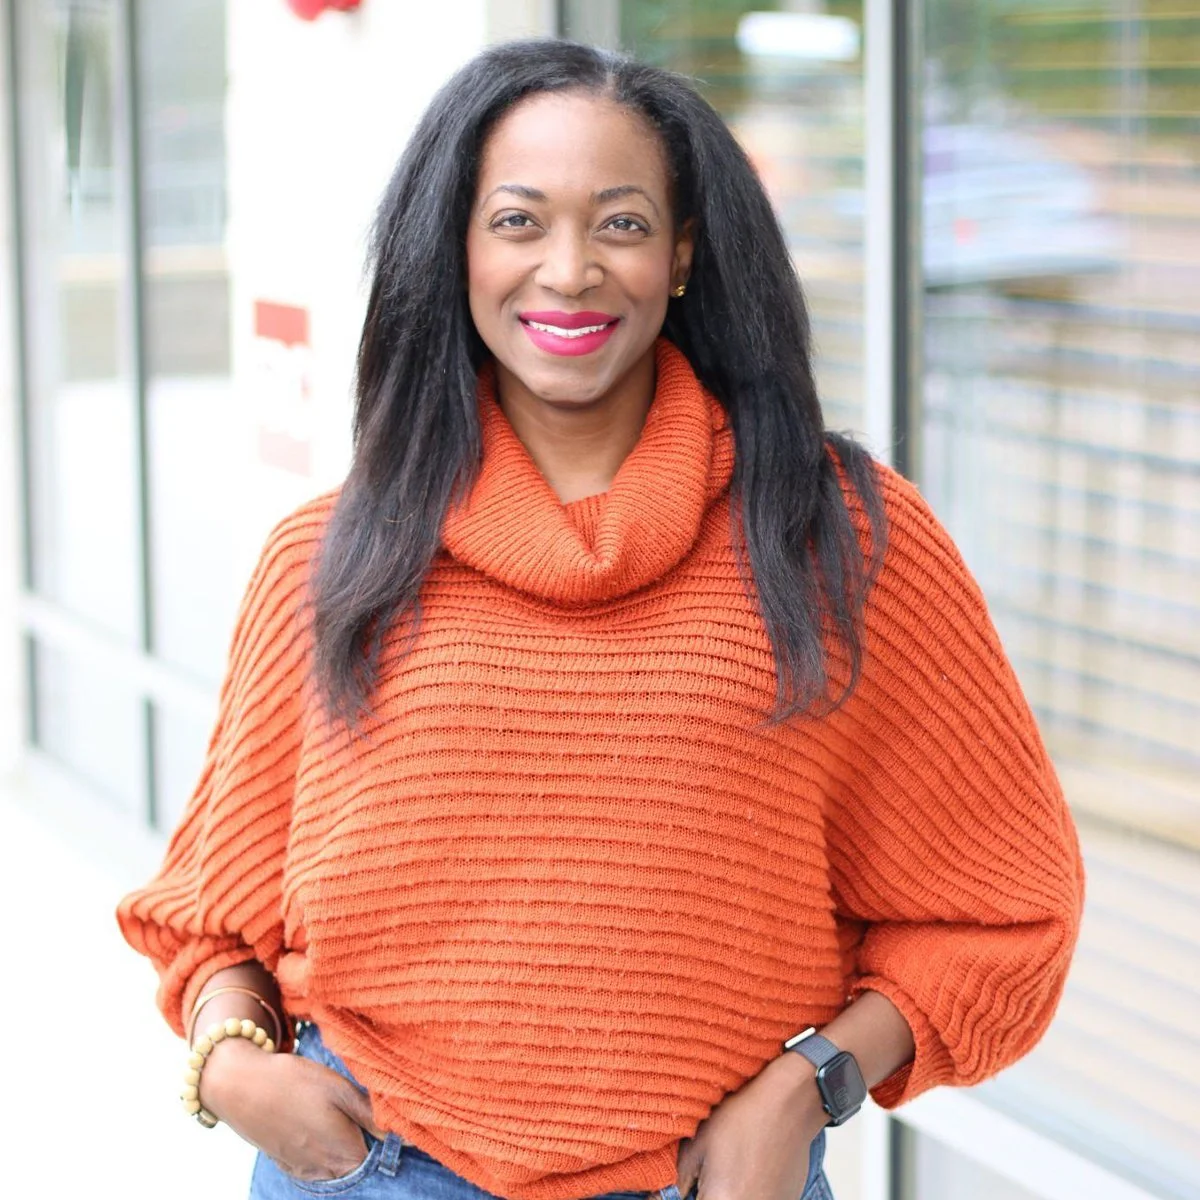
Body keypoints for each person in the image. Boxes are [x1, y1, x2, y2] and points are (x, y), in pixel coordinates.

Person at [117, 38, 1084, 1200]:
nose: (568, 270)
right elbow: (211, 920)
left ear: (682, 252)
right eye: (517, 222)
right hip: (368, 1172)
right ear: (459, 249)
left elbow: (1004, 907)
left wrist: (810, 1084)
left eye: (620, 224)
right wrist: (231, 1067)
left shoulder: (836, 537)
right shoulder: (330, 556)